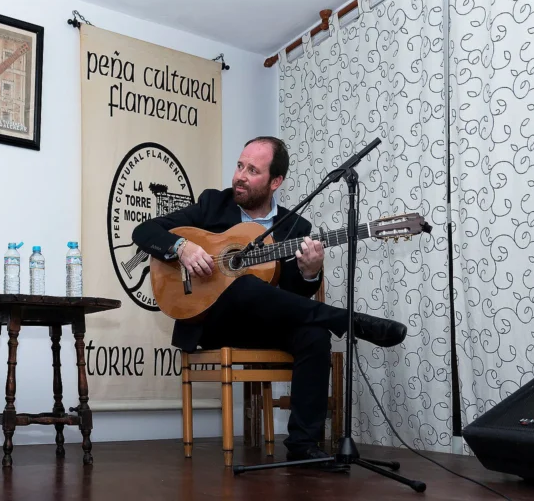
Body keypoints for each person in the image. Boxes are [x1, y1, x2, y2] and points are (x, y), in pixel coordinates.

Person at [132, 136, 406, 472]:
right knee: (243, 285)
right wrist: (183, 248)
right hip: (214, 320)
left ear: (275, 181)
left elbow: (290, 299)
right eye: (240, 166)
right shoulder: (213, 205)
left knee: (314, 336)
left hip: (266, 323)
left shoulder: (296, 228)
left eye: (253, 170)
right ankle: (347, 319)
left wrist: (310, 273)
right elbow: (145, 231)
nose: (240, 176)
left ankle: (304, 446)